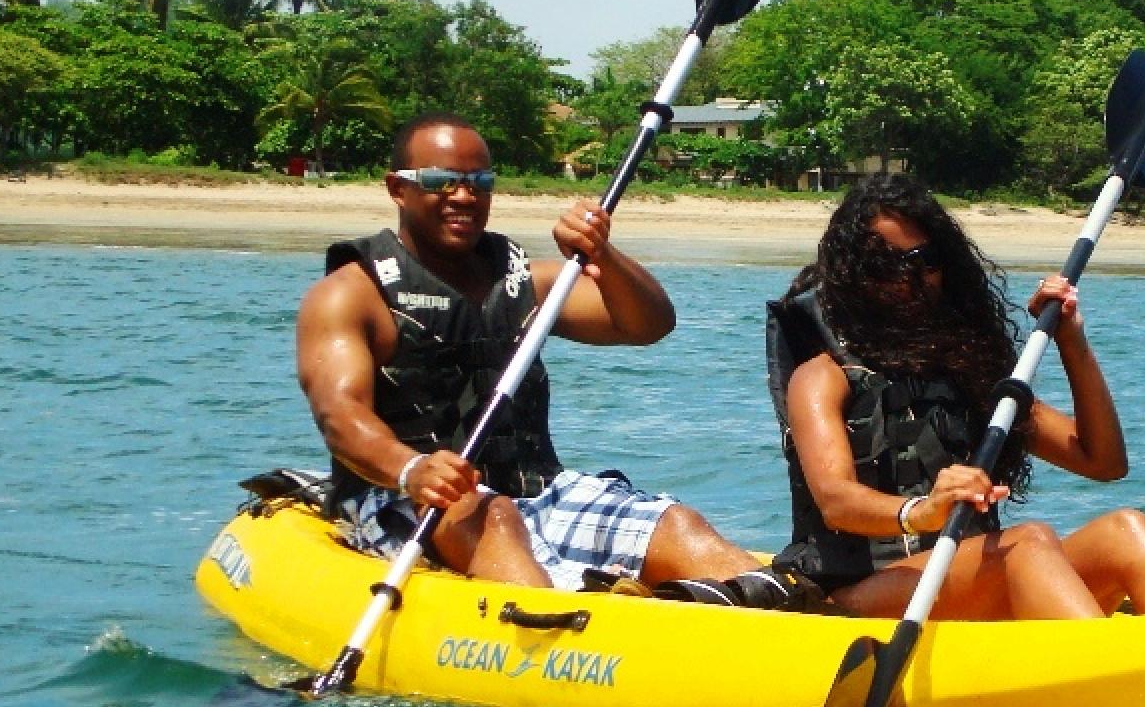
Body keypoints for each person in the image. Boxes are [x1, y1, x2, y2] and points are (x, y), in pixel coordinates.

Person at [299, 112, 801, 604]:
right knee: (491, 517)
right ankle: (563, 633)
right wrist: (412, 469)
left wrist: (602, 253)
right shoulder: (350, 294)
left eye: (479, 181)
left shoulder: (529, 283)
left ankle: (798, 624)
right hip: (414, 499)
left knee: (677, 525)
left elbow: (648, 325)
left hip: (538, 493)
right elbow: (340, 417)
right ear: (397, 188)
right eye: (440, 181)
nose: (463, 195)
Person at [768, 173, 1145, 621]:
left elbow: (1103, 461)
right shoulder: (823, 377)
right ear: (855, 274)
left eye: (925, 261)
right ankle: (1111, 678)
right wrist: (922, 511)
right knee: (1028, 544)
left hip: (976, 579)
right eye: (886, 264)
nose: (910, 279)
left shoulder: (967, 377)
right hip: (863, 596)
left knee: (1125, 532)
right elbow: (836, 500)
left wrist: (1071, 343)